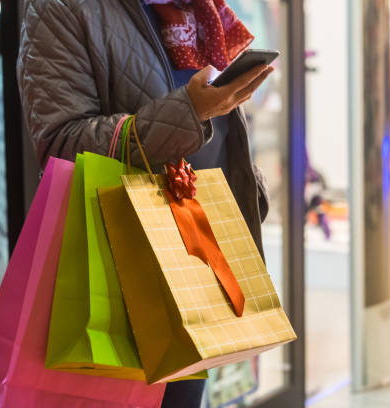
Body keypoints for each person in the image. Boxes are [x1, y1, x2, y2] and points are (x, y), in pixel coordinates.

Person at [17, 0, 273, 406]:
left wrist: (249, 191)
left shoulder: (196, 8)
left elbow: (218, 128)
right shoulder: (62, 8)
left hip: (198, 257)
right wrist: (188, 111)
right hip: (122, 267)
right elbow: (61, 144)